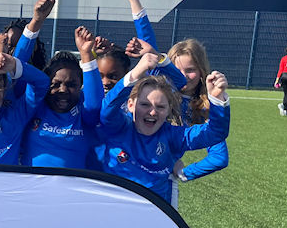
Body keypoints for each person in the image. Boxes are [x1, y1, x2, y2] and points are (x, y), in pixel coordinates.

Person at [119, 0, 229, 190]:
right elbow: (146, 40)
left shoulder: (203, 107)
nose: (183, 76)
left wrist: (182, 172)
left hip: (158, 180)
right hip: (126, 165)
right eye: (177, 69)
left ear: (202, 72)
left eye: (190, 70)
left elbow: (219, 157)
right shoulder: (159, 82)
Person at [98, 53, 230, 205]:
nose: (152, 112)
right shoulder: (119, 126)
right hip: (112, 204)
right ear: (130, 105)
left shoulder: (173, 136)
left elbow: (215, 133)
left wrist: (217, 99)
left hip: (154, 210)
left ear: (169, 110)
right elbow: (107, 109)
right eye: (145, 104)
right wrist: (135, 73)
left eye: (160, 107)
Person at [20, 26, 104, 169]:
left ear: (81, 86)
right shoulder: (35, 105)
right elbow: (18, 71)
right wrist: (36, 23)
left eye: (71, 84)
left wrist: (86, 55)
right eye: (56, 84)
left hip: (71, 189)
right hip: (33, 187)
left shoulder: (84, 113)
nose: (63, 90)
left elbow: (96, 104)